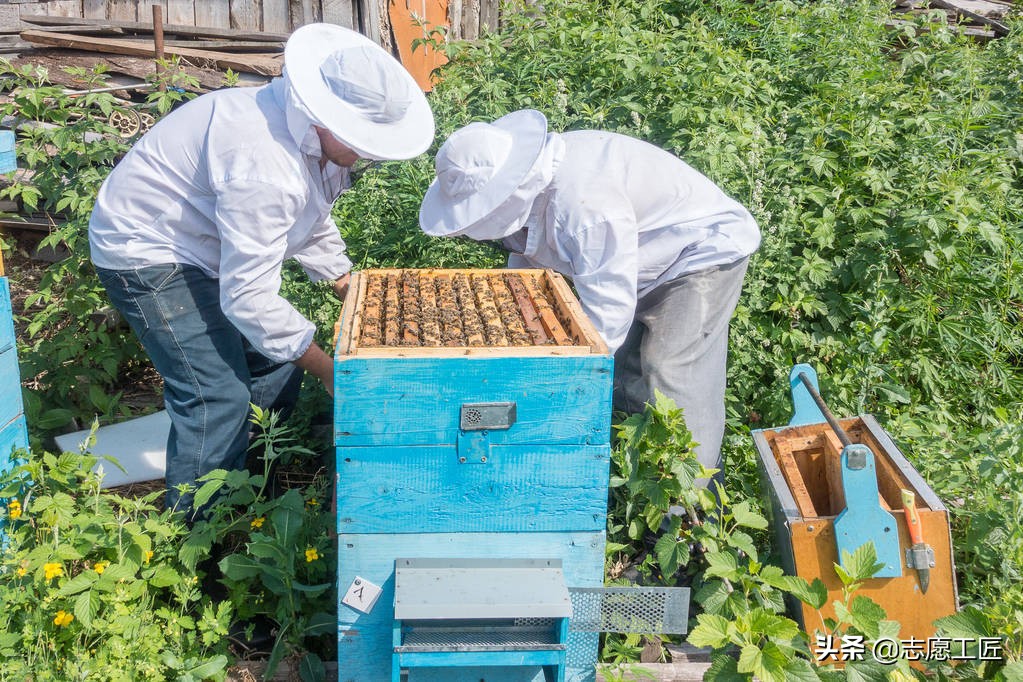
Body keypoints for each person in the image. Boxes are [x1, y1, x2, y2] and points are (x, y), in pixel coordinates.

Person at [89, 23, 434, 512]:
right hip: (147, 250)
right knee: (216, 396)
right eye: (363, 142)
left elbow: (309, 217)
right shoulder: (264, 162)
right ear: (326, 119)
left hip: (205, 246)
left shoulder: (311, 141)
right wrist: (329, 371)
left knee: (274, 362)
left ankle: (250, 493)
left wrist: (344, 282)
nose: (368, 155)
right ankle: (193, 541)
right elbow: (247, 298)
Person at [419, 109, 759, 485]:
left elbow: (608, 319)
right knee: (628, 372)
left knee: (670, 371)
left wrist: (559, 383)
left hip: (698, 252)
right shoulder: (538, 186)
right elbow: (529, 255)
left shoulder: (584, 206)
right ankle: (640, 478)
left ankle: (693, 508)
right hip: (638, 257)